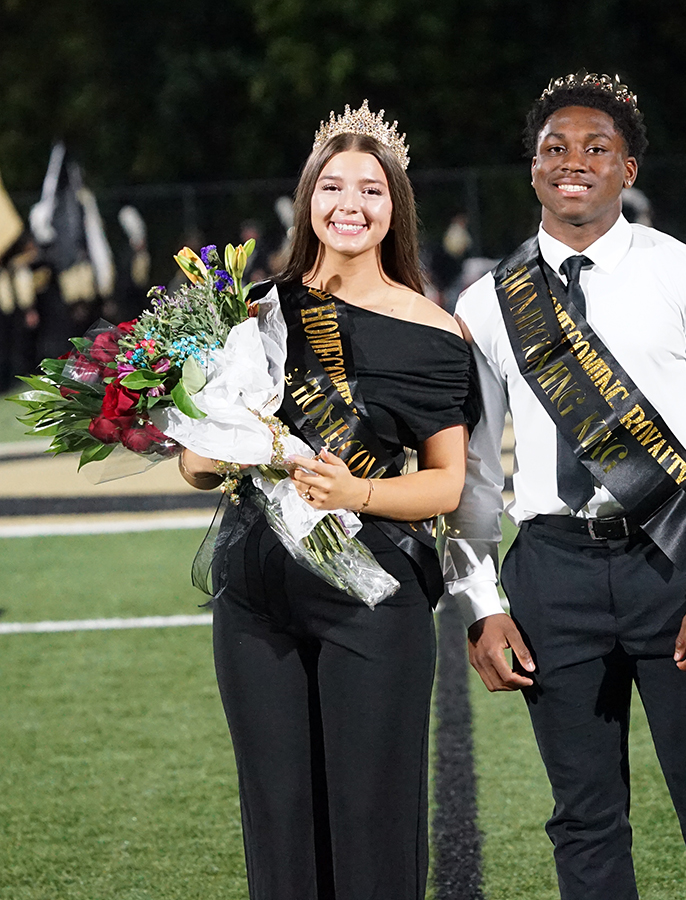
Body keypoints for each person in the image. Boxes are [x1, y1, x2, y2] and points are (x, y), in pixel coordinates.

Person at [443, 70, 686, 900]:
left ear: (629, 169)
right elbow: (475, 472)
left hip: (675, 564)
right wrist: (482, 606)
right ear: (532, 168)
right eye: (554, 147)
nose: (573, 161)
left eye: (598, 146)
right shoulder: (488, 302)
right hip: (552, 574)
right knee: (583, 816)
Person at [179, 102, 478, 900]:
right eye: (334, 186)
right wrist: (209, 440)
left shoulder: (433, 329)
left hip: (370, 595)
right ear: (309, 197)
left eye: (371, 191)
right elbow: (196, 468)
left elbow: (447, 482)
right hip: (254, 591)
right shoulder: (253, 312)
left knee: (372, 822)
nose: (351, 204)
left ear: (394, 210)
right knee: (277, 822)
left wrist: (361, 490)